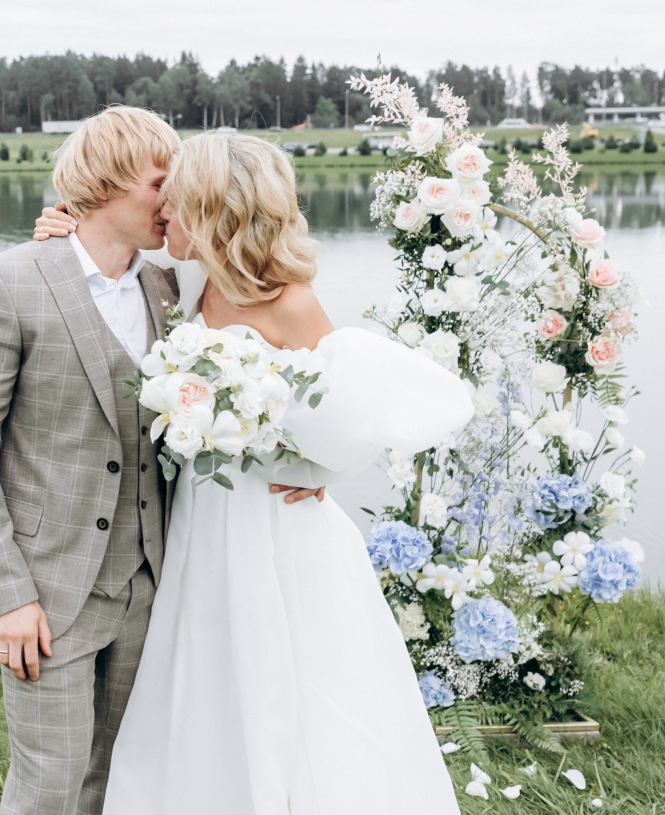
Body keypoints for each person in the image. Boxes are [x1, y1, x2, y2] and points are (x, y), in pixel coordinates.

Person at [33, 131, 472, 814]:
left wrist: (321, 465)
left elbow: (345, 399)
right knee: (200, 670)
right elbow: (98, 267)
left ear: (210, 211)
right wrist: (59, 227)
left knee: (283, 679)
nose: (163, 219)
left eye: (173, 204)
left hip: (272, 525)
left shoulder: (290, 301)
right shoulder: (182, 282)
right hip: (197, 523)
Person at [0, 108, 316, 815]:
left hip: (151, 585)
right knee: (48, 785)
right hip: (46, 592)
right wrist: (7, 593)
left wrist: (308, 462)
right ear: (107, 182)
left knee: (118, 779)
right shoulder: (6, 282)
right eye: (160, 183)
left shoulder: (171, 291)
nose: (173, 203)